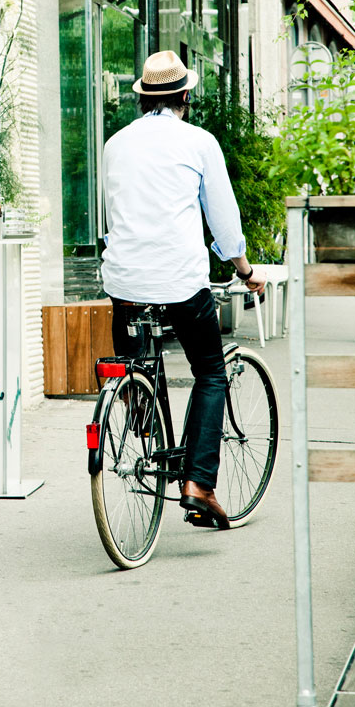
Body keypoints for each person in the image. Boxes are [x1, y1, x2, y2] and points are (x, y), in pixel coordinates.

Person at [101, 49, 266, 530]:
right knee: (211, 373)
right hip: (179, 280)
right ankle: (198, 484)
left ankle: (135, 401)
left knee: (131, 357)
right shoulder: (198, 142)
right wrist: (244, 268)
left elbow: (117, 212)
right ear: (185, 96)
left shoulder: (115, 144)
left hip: (124, 281)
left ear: (141, 99)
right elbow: (223, 219)